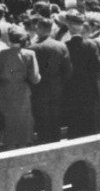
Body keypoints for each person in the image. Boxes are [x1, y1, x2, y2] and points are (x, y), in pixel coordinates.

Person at [0, 25, 40, 148]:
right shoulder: (30, 54)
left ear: (9, 39)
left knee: (9, 127)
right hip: (22, 93)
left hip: (5, 93)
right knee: (23, 127)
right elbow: (35, 78)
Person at [29, 16, 71, 144]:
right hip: (56, 87)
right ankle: (56, 142)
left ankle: (44, 144)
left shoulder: (32, 48)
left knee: (42, 120)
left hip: (39, 88)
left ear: (40, 29)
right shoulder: (61, 46)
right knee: (55, 119)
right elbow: (68, 70)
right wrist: (60, 83)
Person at [62, 11, 100, 138]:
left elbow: (64, 71)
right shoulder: (91, 44)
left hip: (72, 91)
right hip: (89, 90)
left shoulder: (65, 46)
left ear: (70, 27)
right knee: (90, 125)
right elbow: (98, 67)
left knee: (74, 127)